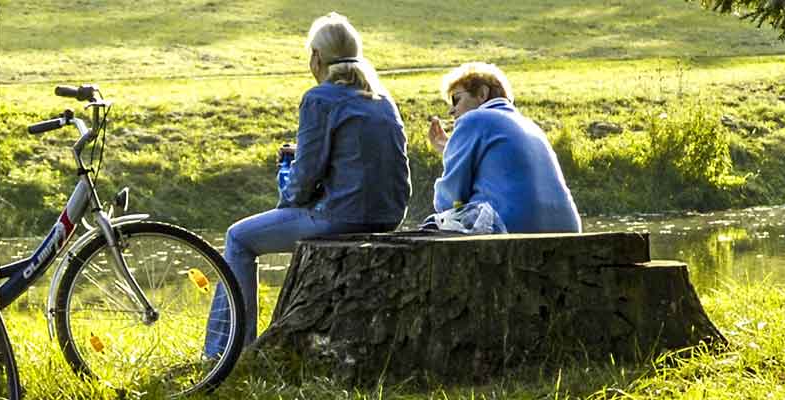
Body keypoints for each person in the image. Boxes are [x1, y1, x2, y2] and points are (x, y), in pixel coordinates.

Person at [205, 12, 410, 356]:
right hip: (389, 214)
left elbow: (304, 180)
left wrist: (288, 193)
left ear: (316, 56)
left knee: (238, 238)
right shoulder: (382, 99)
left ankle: (225, 352)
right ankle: (231, 349)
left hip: (342, 216)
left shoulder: (319, 98)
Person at [426, 63, 582, 233]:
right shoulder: (531, 126)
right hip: (567, 228)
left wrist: (452, 158)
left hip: (513, 227)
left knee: (432, 226)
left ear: (482, 94)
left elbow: (449, 198)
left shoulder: (474, 119)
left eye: (456, 99)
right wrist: (451, 151)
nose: (451, 110)